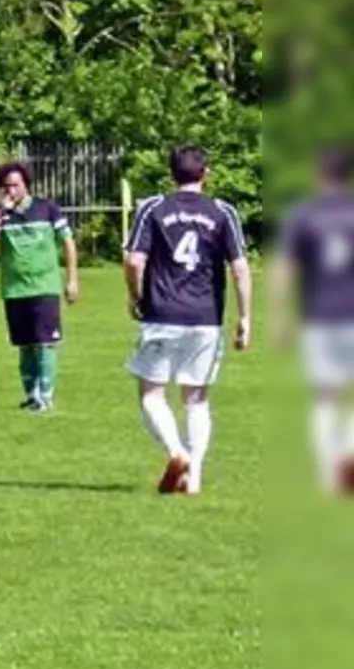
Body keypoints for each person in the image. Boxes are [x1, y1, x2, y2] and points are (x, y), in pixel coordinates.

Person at [123, 145, 252, 495]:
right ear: (206, 174)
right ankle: (194, 477)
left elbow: (134, 261)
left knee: (151, 394)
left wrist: (135, 296)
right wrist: (245, 317)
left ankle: (176, 452)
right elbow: (240, 268)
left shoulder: (153, 208)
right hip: (205, 318)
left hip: (162, 313)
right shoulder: (222, 211)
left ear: (171, 174)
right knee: (197, 399)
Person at [271, 146, 354, 493]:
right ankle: (348, 450)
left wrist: (279, 317)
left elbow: (285, 268)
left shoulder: (304, 214)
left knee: (325, 396)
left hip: (319, 316)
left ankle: (329, 473)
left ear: (319, 174)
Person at [0, 161, 80, 411]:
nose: (11, 190)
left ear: (26, 185)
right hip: (14, 289)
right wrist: (0, 214)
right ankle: (31, 395)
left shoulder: (46, 209)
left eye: (16, 185)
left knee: (44, 343)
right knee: (24, 345)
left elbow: (68, 244)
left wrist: (72, 280)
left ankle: (46, 397)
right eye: (6, 186)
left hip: (44, 287)